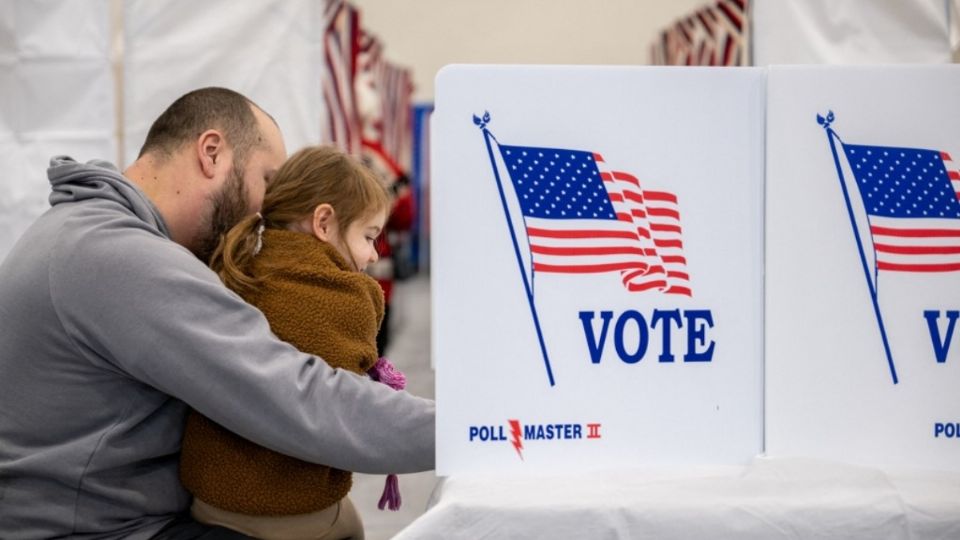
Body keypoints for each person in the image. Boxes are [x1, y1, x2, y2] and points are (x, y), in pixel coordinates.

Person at [0, 88, 435, 539]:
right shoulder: (120, 256)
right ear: (211, 154)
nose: (266, 210)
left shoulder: (80, 229)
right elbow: (298, 397)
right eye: (267, 180)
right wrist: (468, 431)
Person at [178, 145, 399, 539]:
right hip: (287, 511)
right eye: (369, 236)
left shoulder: (236, 267)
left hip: (207, 498)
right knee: (352, 524)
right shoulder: (346, 297)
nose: (370, 255)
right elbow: (347, 415)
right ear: (324, 222)